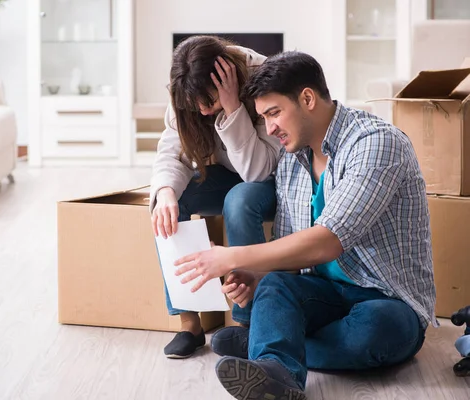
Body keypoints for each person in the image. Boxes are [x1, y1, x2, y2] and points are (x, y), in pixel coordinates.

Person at [173, 51, 437, 399]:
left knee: (375, 330)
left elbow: (328, 241)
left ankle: (269, 345)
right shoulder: (291, 160)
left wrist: (234, 257)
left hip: (384, 299)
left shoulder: (376, 143)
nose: (269, 129)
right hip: (323, 294)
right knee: (275, 286)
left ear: (308, 99)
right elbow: (289, 255)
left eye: (274, 113)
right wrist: (253, 279)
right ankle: (275, 370)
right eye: (263, 117)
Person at [149, 35, 281, 359]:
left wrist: (233, 106)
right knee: (167, 204)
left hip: (271, 178)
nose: (202, 111)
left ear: (225, 79)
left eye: (208, 101)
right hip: (229, 175)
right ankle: (189, 323)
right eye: (194, 105)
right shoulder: (188, 91)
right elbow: (172, 151)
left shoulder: (265, 77)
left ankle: (249, 324)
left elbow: (259, 171)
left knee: (239, 199)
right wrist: (165, 191)